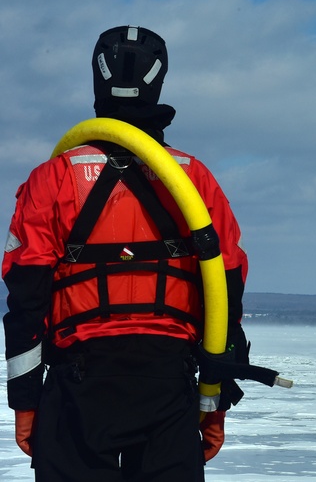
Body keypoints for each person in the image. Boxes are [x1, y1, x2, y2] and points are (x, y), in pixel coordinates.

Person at [3, 25, 251, 480]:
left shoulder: (52, 178)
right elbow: (226, 295)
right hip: (168, 385)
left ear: (97, 80)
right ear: (159, 82)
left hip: (79, 386)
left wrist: (25, 403)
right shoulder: (196, 179)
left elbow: (25, 300)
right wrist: (213, 404)